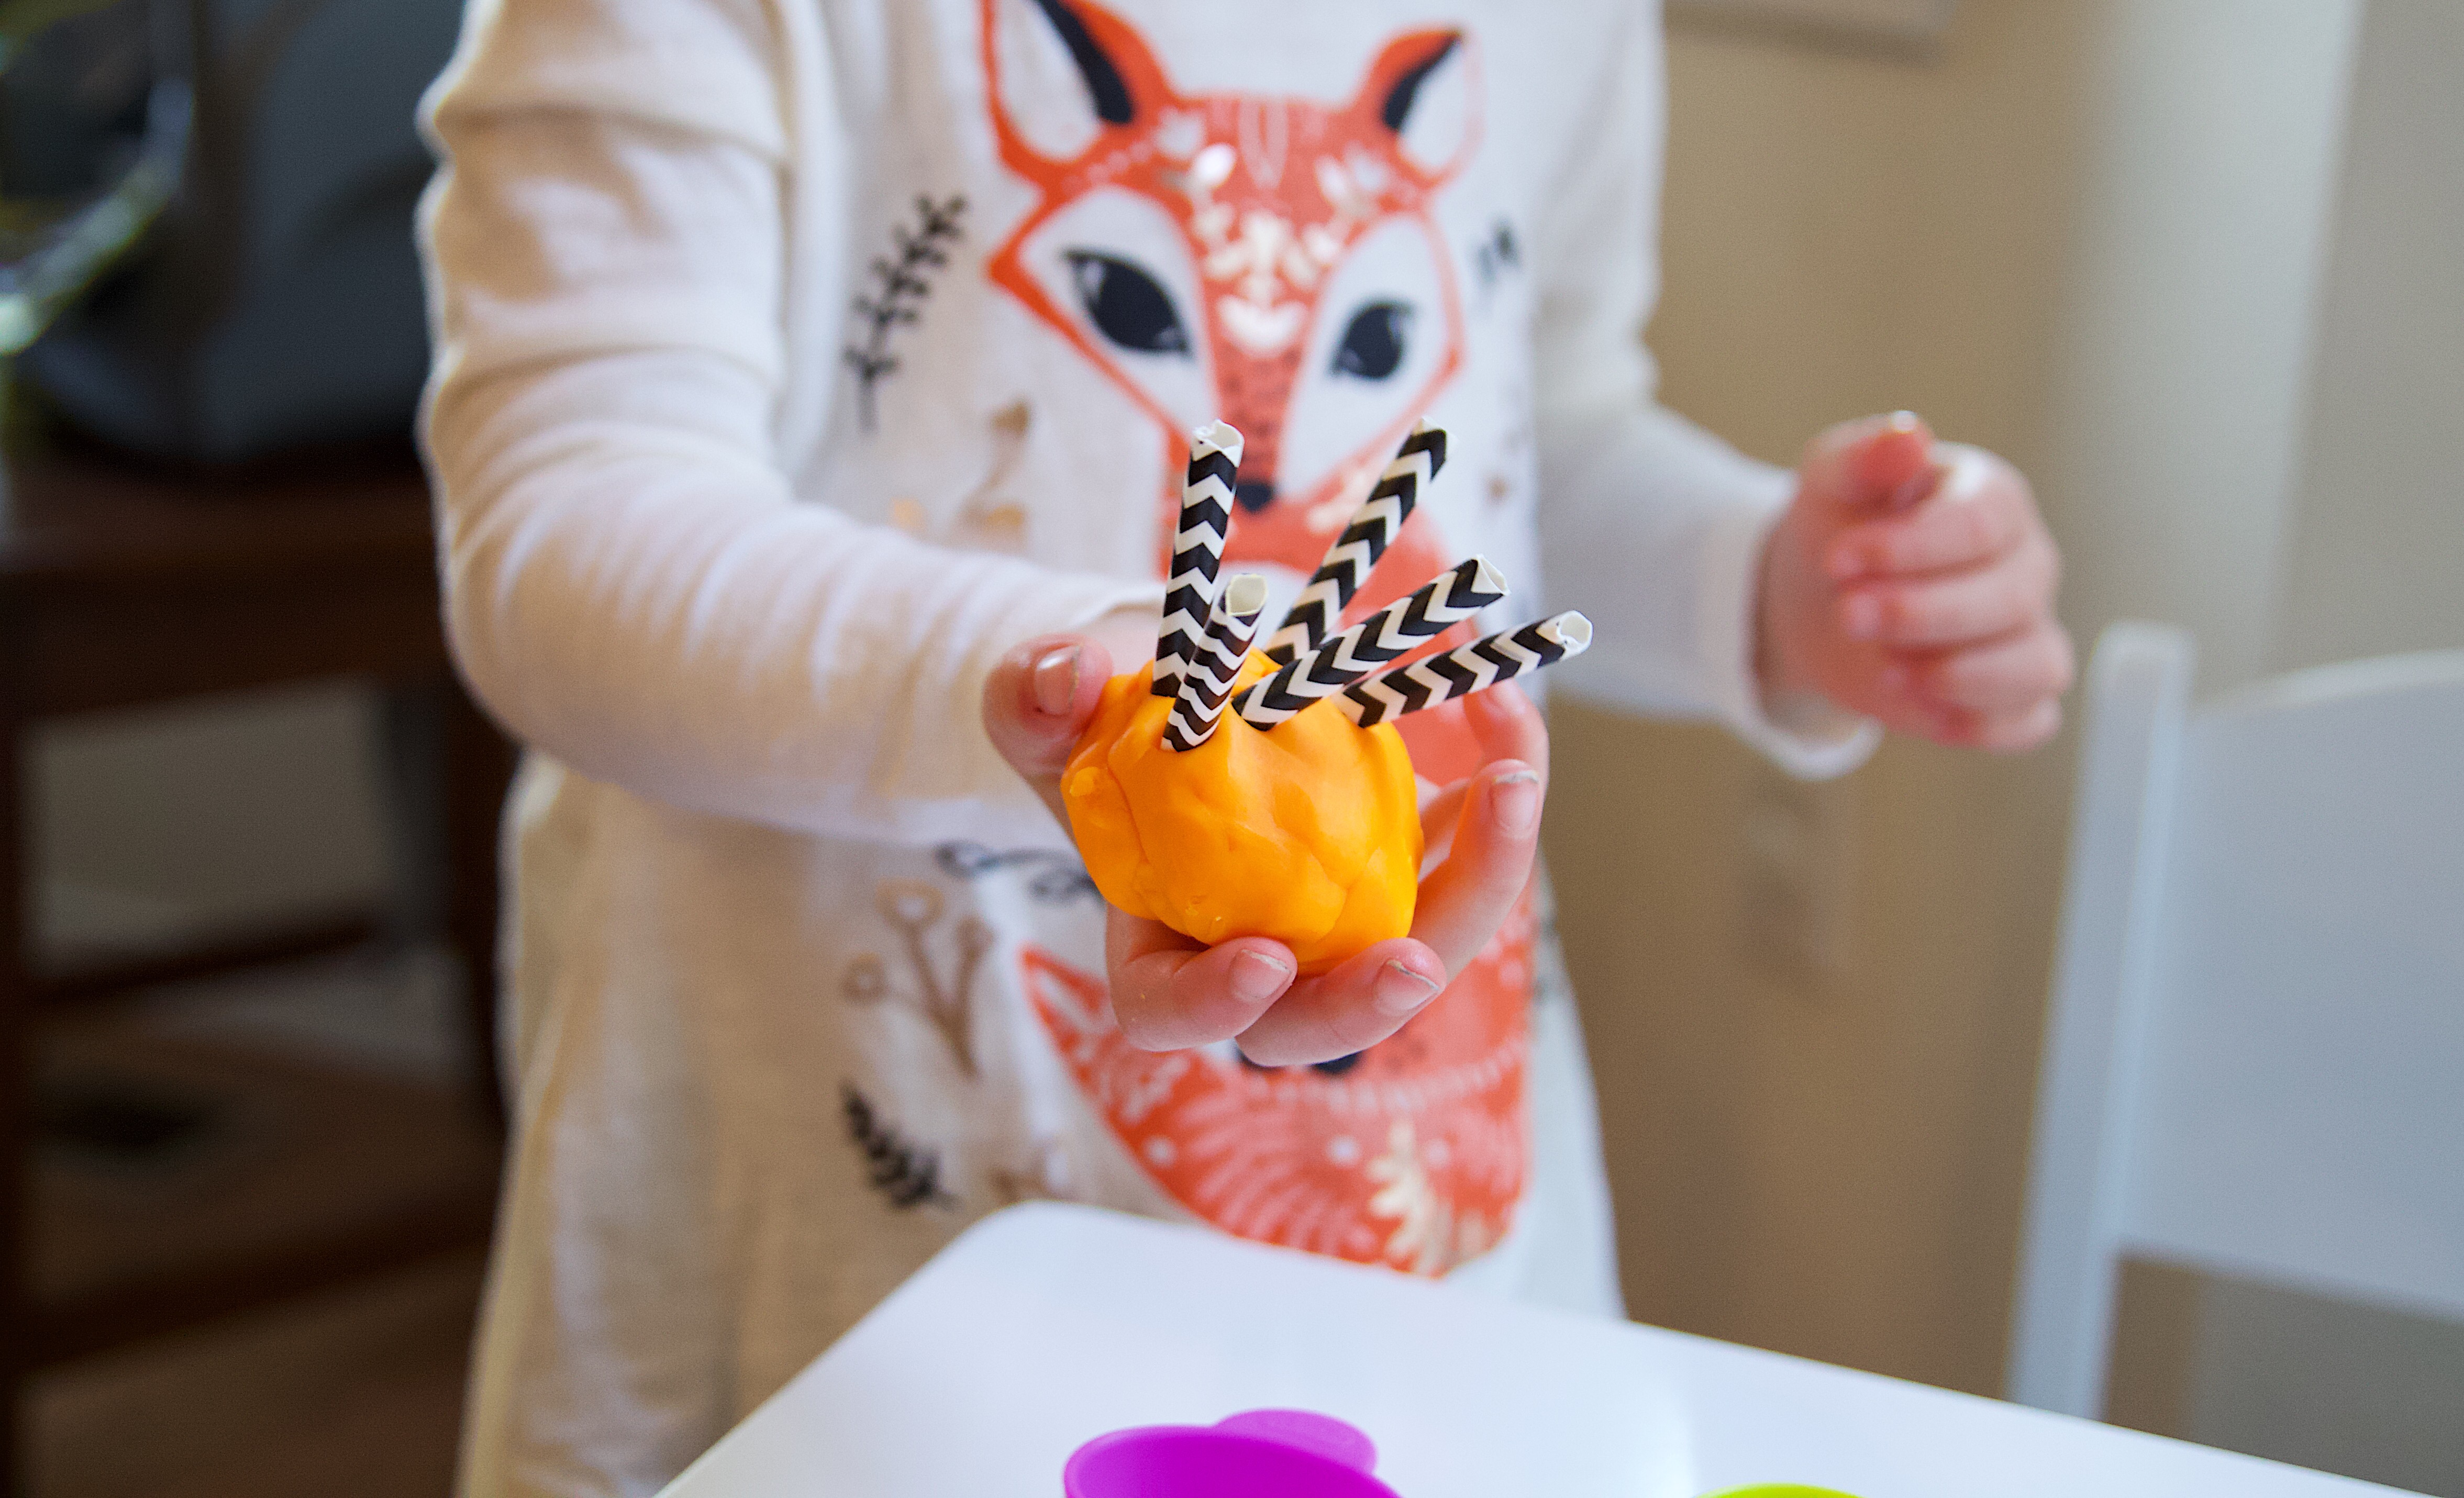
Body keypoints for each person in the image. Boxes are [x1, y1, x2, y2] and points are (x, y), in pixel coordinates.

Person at [417, 0, 2072, 1491]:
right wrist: (1107, 694)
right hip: (837, 1262)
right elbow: (568, 536)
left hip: (1421, 1250)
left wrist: (1762, 585)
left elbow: (1527, 435)